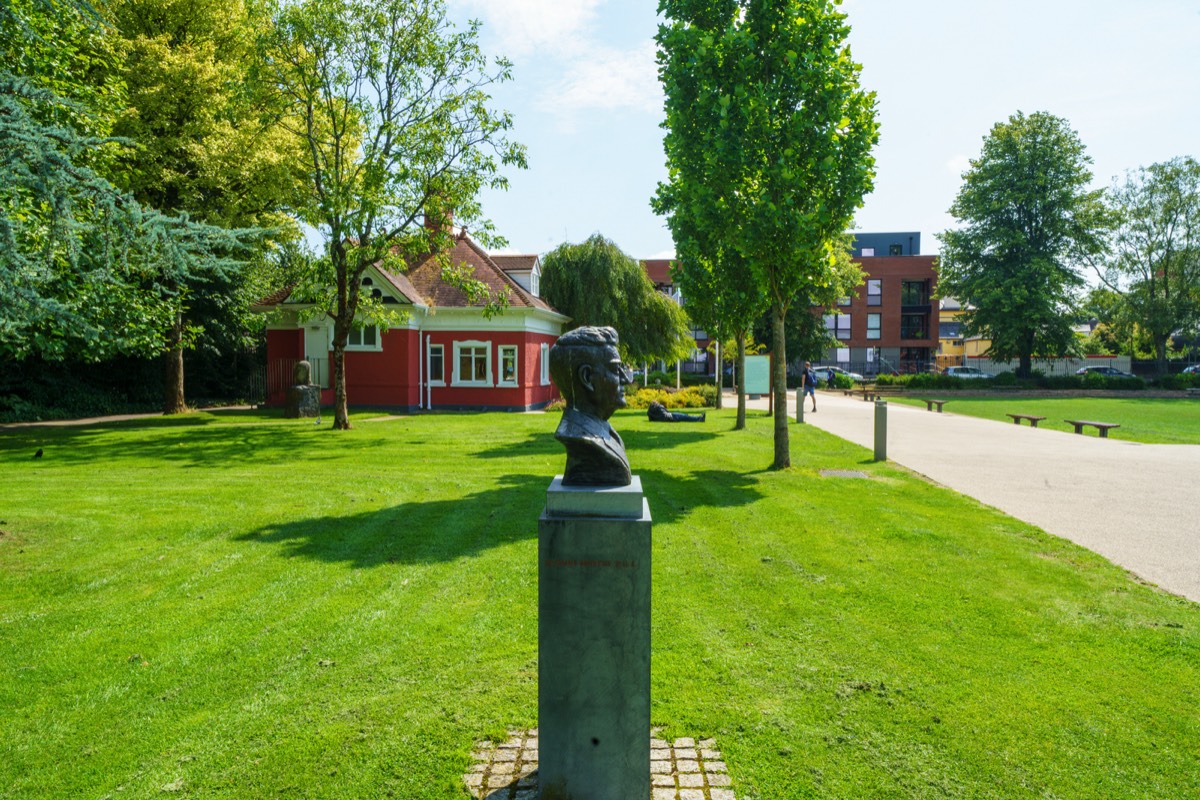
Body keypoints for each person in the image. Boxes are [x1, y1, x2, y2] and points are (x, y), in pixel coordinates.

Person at [548, 326, 634, 486]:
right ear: (587, 377)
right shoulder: (582, 440)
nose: (625, 379)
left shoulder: (604, 429)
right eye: (616, 369)